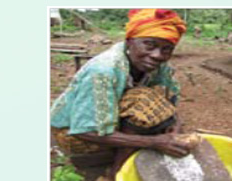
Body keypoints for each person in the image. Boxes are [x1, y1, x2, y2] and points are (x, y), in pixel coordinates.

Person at [51, 9, 194, 172]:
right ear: (130, 41)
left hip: (109, 120)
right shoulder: (103, 71)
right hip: (73, 134)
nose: (157, 55)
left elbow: (168, 101)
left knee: (150, 104)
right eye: (149, 44)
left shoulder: (158, 67)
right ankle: (115, 173)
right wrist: (155, 142)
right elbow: (83, 131)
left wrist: (175, 126)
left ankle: (127, 150)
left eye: (166, 49)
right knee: (143, 104)